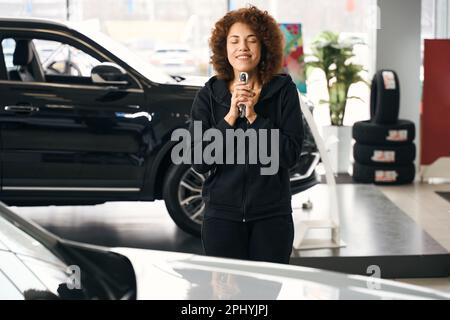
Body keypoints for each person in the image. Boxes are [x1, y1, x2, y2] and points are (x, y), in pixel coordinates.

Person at [189, 5, 304, 264]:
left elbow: (289, 155)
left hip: (272, 218)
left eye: (251, 40)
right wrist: (230, 117)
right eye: (235, 40)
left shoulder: (284, 91)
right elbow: (199, 160)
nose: (243, 47)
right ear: (223, 48)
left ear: (264, 47)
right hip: (221, 220)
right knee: (228, 301)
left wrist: (254, 118)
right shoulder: (207, 96)